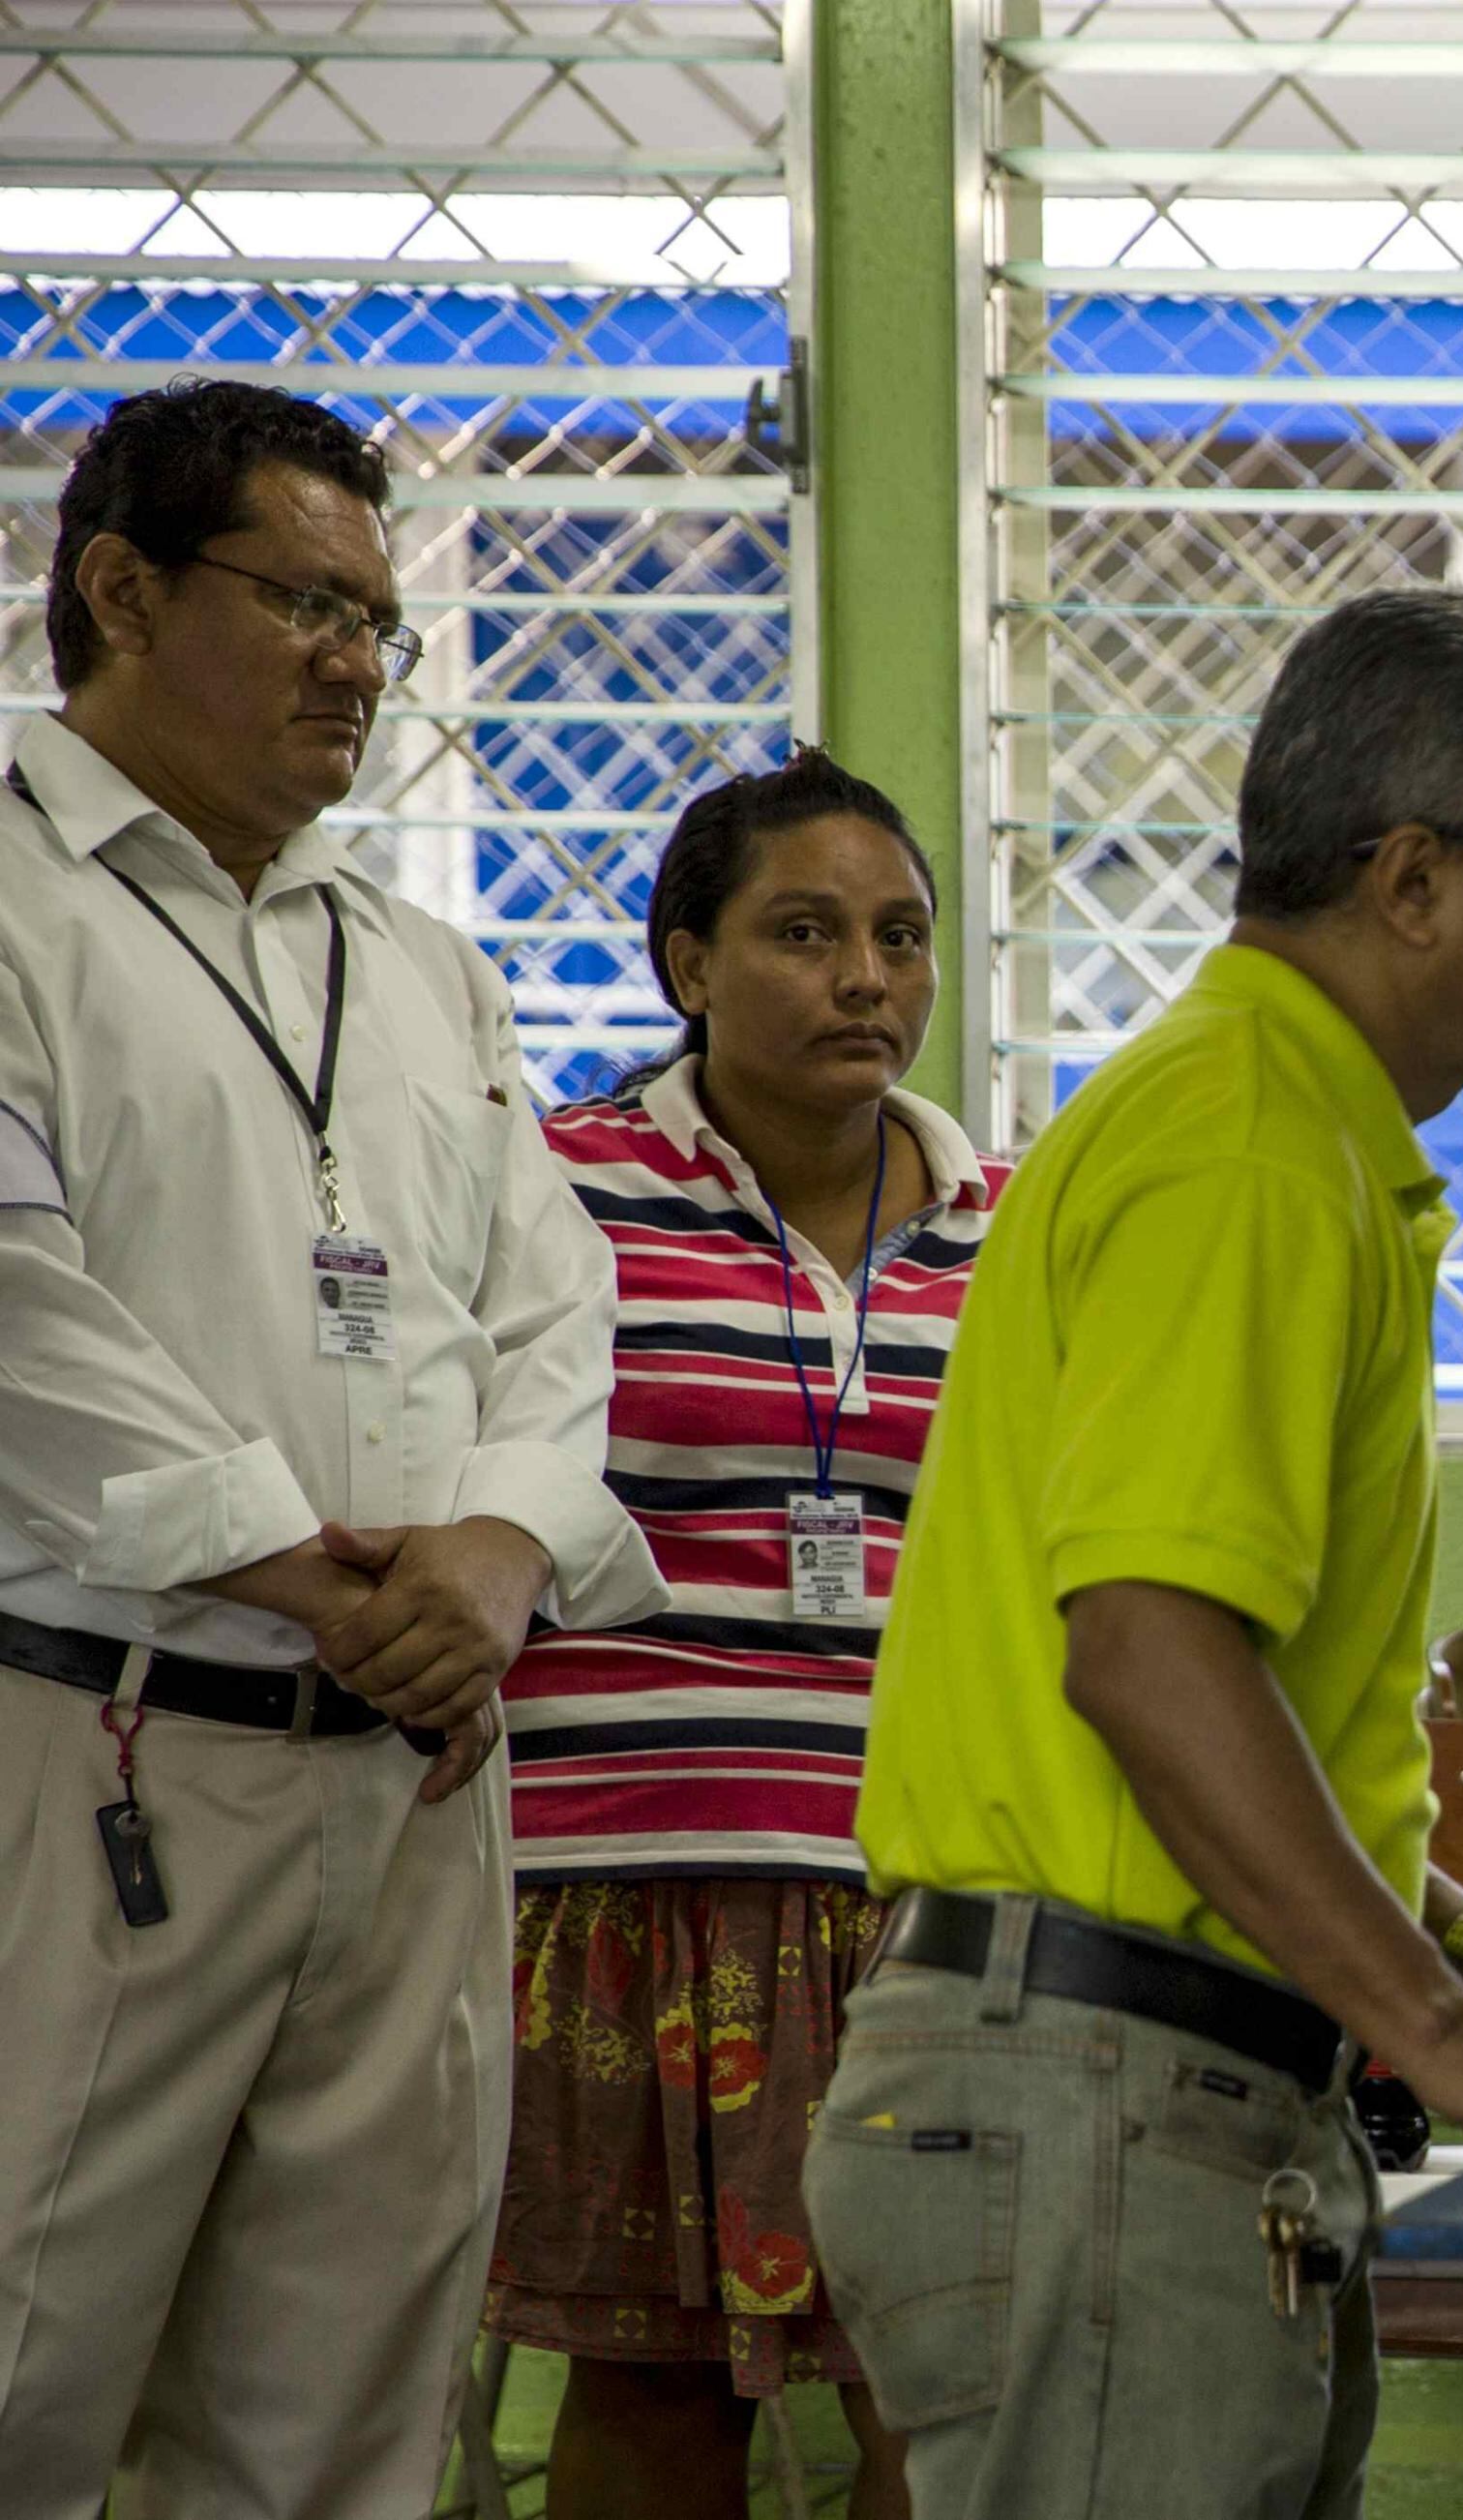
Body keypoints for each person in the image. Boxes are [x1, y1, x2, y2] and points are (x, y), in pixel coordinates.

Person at [809, 588, 1463, 2519]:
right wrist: (1439, 2029)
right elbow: (1150, 1652)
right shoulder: (1245, 1143)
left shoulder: (1301, 1135)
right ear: (1412, 879)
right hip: (1096, 2090)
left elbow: (1261, 1703)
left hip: (1156, 2085)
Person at [0, 380, 665, 2515]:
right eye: (305, 603)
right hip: (104, 1750)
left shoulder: (418, 967)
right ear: (117, 587)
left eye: (379, 621)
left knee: (347, 2422)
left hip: (410, 1777)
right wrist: (300, 1565)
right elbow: (17, 1311)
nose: (361, 665)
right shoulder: (18, 905)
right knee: (23, 2369)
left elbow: (559, 1313)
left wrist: (492, 1561)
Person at [485, 753, 992, 2519]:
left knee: (938, 2392)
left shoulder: (1009, 1236)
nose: (869, 980)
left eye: (901, 938)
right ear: (688, 963)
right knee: (654, 2395)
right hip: (625, 1901)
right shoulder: (552, 1193)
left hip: (922, 1904)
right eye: (806, 932)